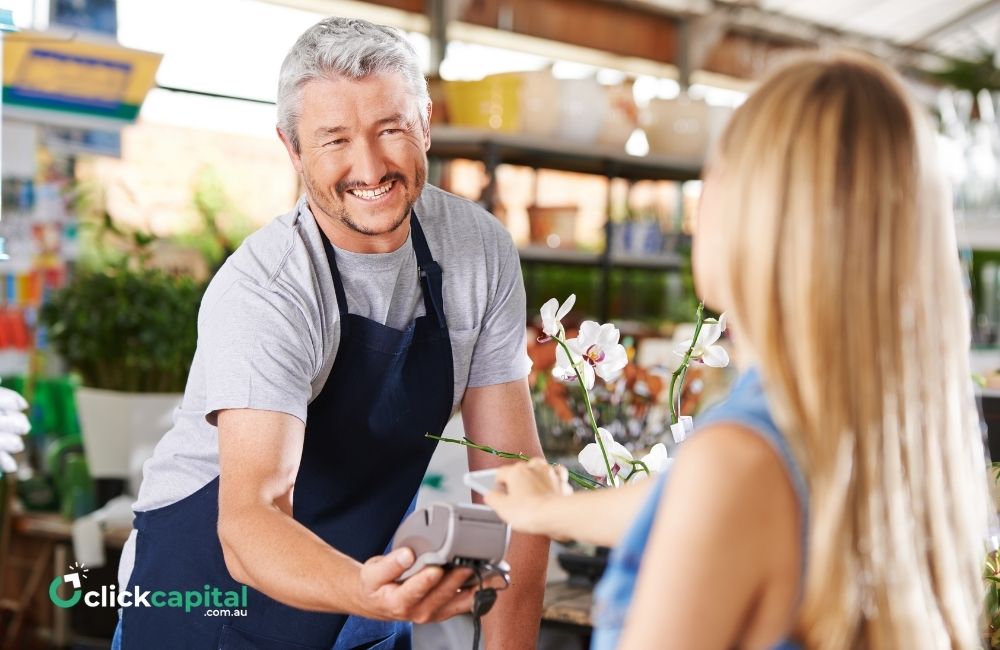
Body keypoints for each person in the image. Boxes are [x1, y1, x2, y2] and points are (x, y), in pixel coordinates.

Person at [485, 52, 992, 649]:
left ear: (760, 214)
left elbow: (716, 497)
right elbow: (684, 506)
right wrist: (552, 513)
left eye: (715, 175)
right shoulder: (908, 426)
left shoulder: (735, 462)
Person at [113, 17, 548, 649]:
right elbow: (250, 521)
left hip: (354, 613)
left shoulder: (477, 252)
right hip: (207, 603)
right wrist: (367, 589)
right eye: (334, 140)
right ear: (292, 149)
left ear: (425, 123)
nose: (368, 166)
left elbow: (516, 484)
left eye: (390, 129)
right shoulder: (268, 288)